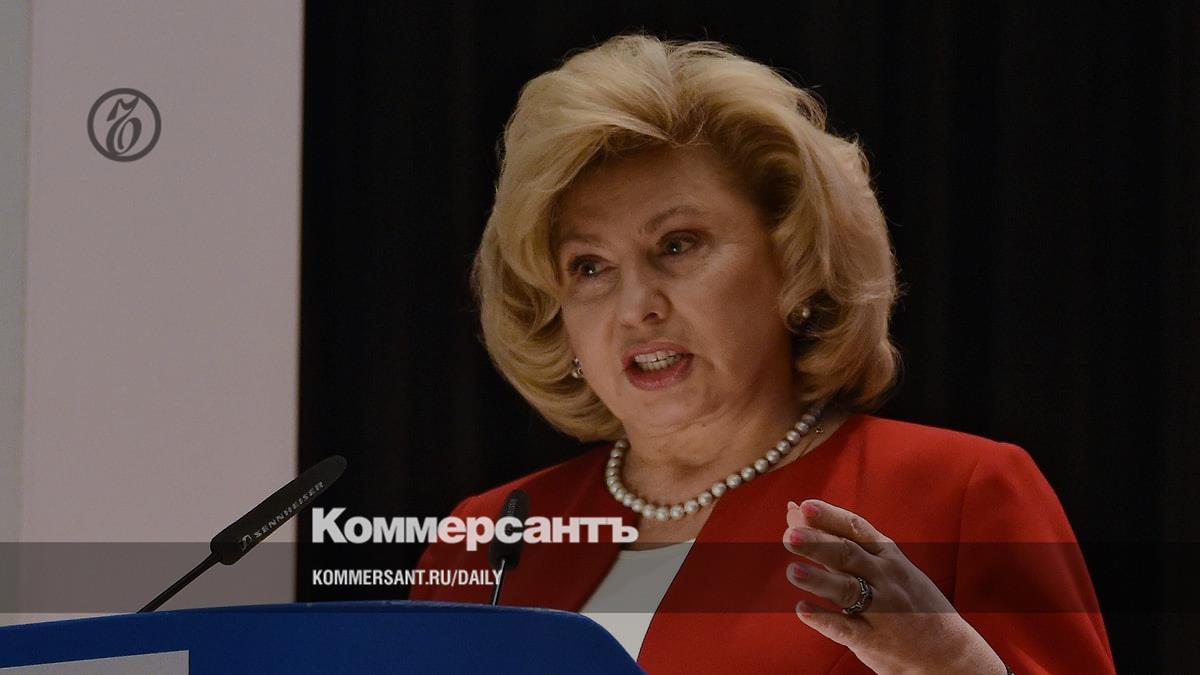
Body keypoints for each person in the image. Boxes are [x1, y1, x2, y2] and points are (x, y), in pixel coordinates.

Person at [410, 35, 1115, 674]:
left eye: (677, 245)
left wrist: (952, 663)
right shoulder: (486, 534)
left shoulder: (958, 493)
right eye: (589, 267)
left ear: (793, 262)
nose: (635, 307)